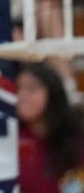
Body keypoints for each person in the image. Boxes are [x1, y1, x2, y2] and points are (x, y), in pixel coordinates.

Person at [16, 61, 84, 192]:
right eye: (18, 88)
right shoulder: (11, 138)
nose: (22, 95)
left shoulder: (76, 135)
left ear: (53, 92)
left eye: (32, 88)